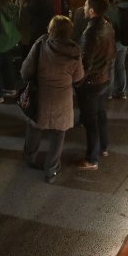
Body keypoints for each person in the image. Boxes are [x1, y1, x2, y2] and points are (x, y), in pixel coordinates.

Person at [21, 15, 84, 183]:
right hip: (62, 100)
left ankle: (31, 158)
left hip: (40, 97)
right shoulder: (74, 52)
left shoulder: (41, 44)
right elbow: (79, 78)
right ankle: (51, 169)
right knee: (58, 135)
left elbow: (25, 71)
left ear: (51, 29)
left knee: (34, 128)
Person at [75, 0, 116, 170]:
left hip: (91, 82)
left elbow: (85, 62)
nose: (83, 8)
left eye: (85, 5)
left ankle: (92, 159)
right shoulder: (107, 25)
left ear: (92, 11)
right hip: (104, 78)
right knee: (100, 115)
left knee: (90, 120)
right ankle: (103, 147)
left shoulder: (91, 32)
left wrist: (78, 81)